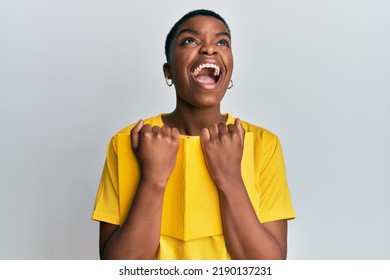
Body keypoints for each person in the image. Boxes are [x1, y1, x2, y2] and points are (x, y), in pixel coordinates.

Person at [91, 9, 295, 260]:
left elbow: (269, 268)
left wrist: (230, 178)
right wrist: (153, 178)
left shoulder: (263, 144)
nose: (209, 49)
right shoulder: (129, 141)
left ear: (230, 71)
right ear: (168, 71)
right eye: (191, 40)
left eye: (222, 42)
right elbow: (118, 267)